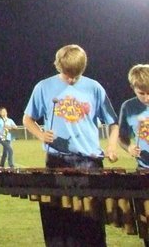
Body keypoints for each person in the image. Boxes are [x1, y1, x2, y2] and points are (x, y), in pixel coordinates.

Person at [23, 44, 119, 247]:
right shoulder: (43, 87)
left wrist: (111, 146)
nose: (72, 79)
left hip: (89, 162)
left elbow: (113, 122)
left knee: (92, 227)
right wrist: (41, 134)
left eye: (76, 74)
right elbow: (27, 119)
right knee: (58, 226)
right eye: (68, 74)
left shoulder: (94, 87)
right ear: (58, 66)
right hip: (57, 161)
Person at [118, 64, 149, 172]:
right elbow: (122, 137)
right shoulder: (128, 107)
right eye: (142, 93)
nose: (147, 98)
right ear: (133, 88)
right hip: (143, 168)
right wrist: (129, 148)